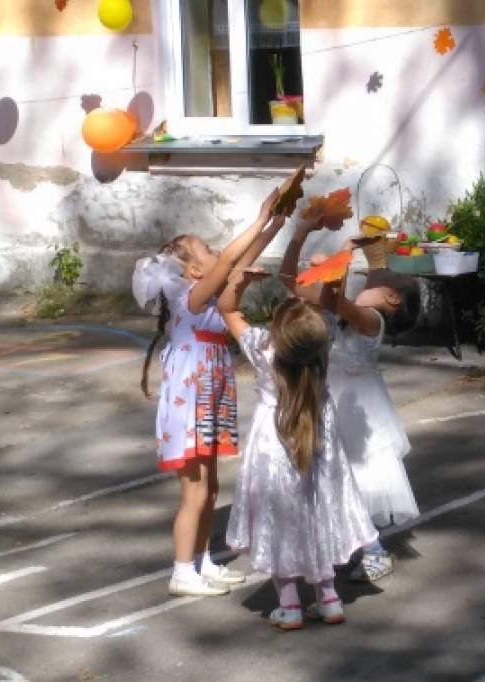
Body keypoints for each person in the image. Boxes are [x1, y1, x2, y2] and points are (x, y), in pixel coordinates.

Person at [131, 188, 283, 597]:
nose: (218, 251)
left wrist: (276, 224)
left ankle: (201, 561)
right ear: (195, 272)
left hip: (209, 397)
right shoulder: (192, 298)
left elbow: (242, 262)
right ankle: (182, 571)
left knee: (211, 489)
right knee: (194, 492)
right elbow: (234, 260)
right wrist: (257, 218)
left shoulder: (211, 294)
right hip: (189, 401)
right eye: (208, 250)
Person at [218, 265, 378, 631]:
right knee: (317, 511)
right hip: (319, 439)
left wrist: (241, 281)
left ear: (277, 332)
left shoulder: (262, 347)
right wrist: (338, 272)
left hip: (273, 441)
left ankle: (289, 605)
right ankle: (329, 598)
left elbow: (227, 308)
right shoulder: (323, 346)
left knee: (280, 517)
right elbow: (333, 305)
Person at [279, 220, 421, 583]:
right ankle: (351, 546)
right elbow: (291, 281)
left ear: (391, 300)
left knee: (358, 478)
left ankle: (373, 550)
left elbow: (332, 298)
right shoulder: (343, 318)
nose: (364, 289)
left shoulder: (372, 321)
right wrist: (303, 239)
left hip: (361, 410)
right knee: (335, 477)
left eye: (373, 287)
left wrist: (343, 251)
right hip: (335, 401)